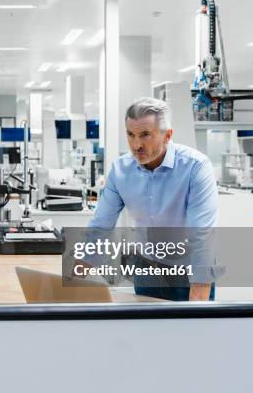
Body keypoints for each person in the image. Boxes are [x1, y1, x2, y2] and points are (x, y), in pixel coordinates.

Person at [86, 97, 219, 301]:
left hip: (186, 270)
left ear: (167, 135)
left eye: (145, 135)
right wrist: (71, 279)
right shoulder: (120, 170)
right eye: (130, 135)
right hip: (145, 269)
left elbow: (202, 235)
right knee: (145, 331)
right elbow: (100, 226)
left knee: (191, 331)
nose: (136, 144)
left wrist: (198, 303)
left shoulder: (195, 167)